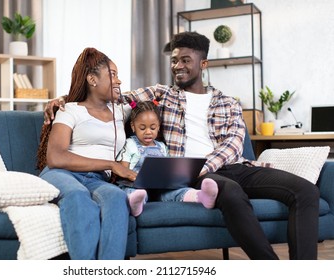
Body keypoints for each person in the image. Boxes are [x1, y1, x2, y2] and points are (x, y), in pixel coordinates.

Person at [43, 32, 320, 260]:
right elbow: (110, 96)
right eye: (174, 61)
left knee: (305, 191)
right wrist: (63, 99)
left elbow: (234, 145)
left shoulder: (229, 103)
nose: (178, 66)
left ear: (204, 64)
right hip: (189, 174)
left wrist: (201, 167)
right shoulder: (162, 94)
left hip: (225, 167)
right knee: (231, 193)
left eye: (185, 60)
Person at [36, 47, 137, 260]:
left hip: (97, 179)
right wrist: (111, 164)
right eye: (112, 75)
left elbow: (154, 98)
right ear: (92, 79)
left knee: (117, 197)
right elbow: (56, 157)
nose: (119, 81)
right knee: (77, 195)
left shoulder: (123, 111)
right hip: (62, 174)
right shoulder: (70, 110)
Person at [117, 99, 218, 217]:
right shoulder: (130, 144)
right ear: (133, 127)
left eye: (153, 128)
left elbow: (168, 169)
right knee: (133, 192)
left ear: (158, 126)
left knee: (174, 192)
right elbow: (123, 170)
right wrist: (136, 177)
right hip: (135, 186)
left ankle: (200, 196)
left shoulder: (162, 147)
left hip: (159, 188)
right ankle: (136, 203)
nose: (148, 132)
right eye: (142, 128)